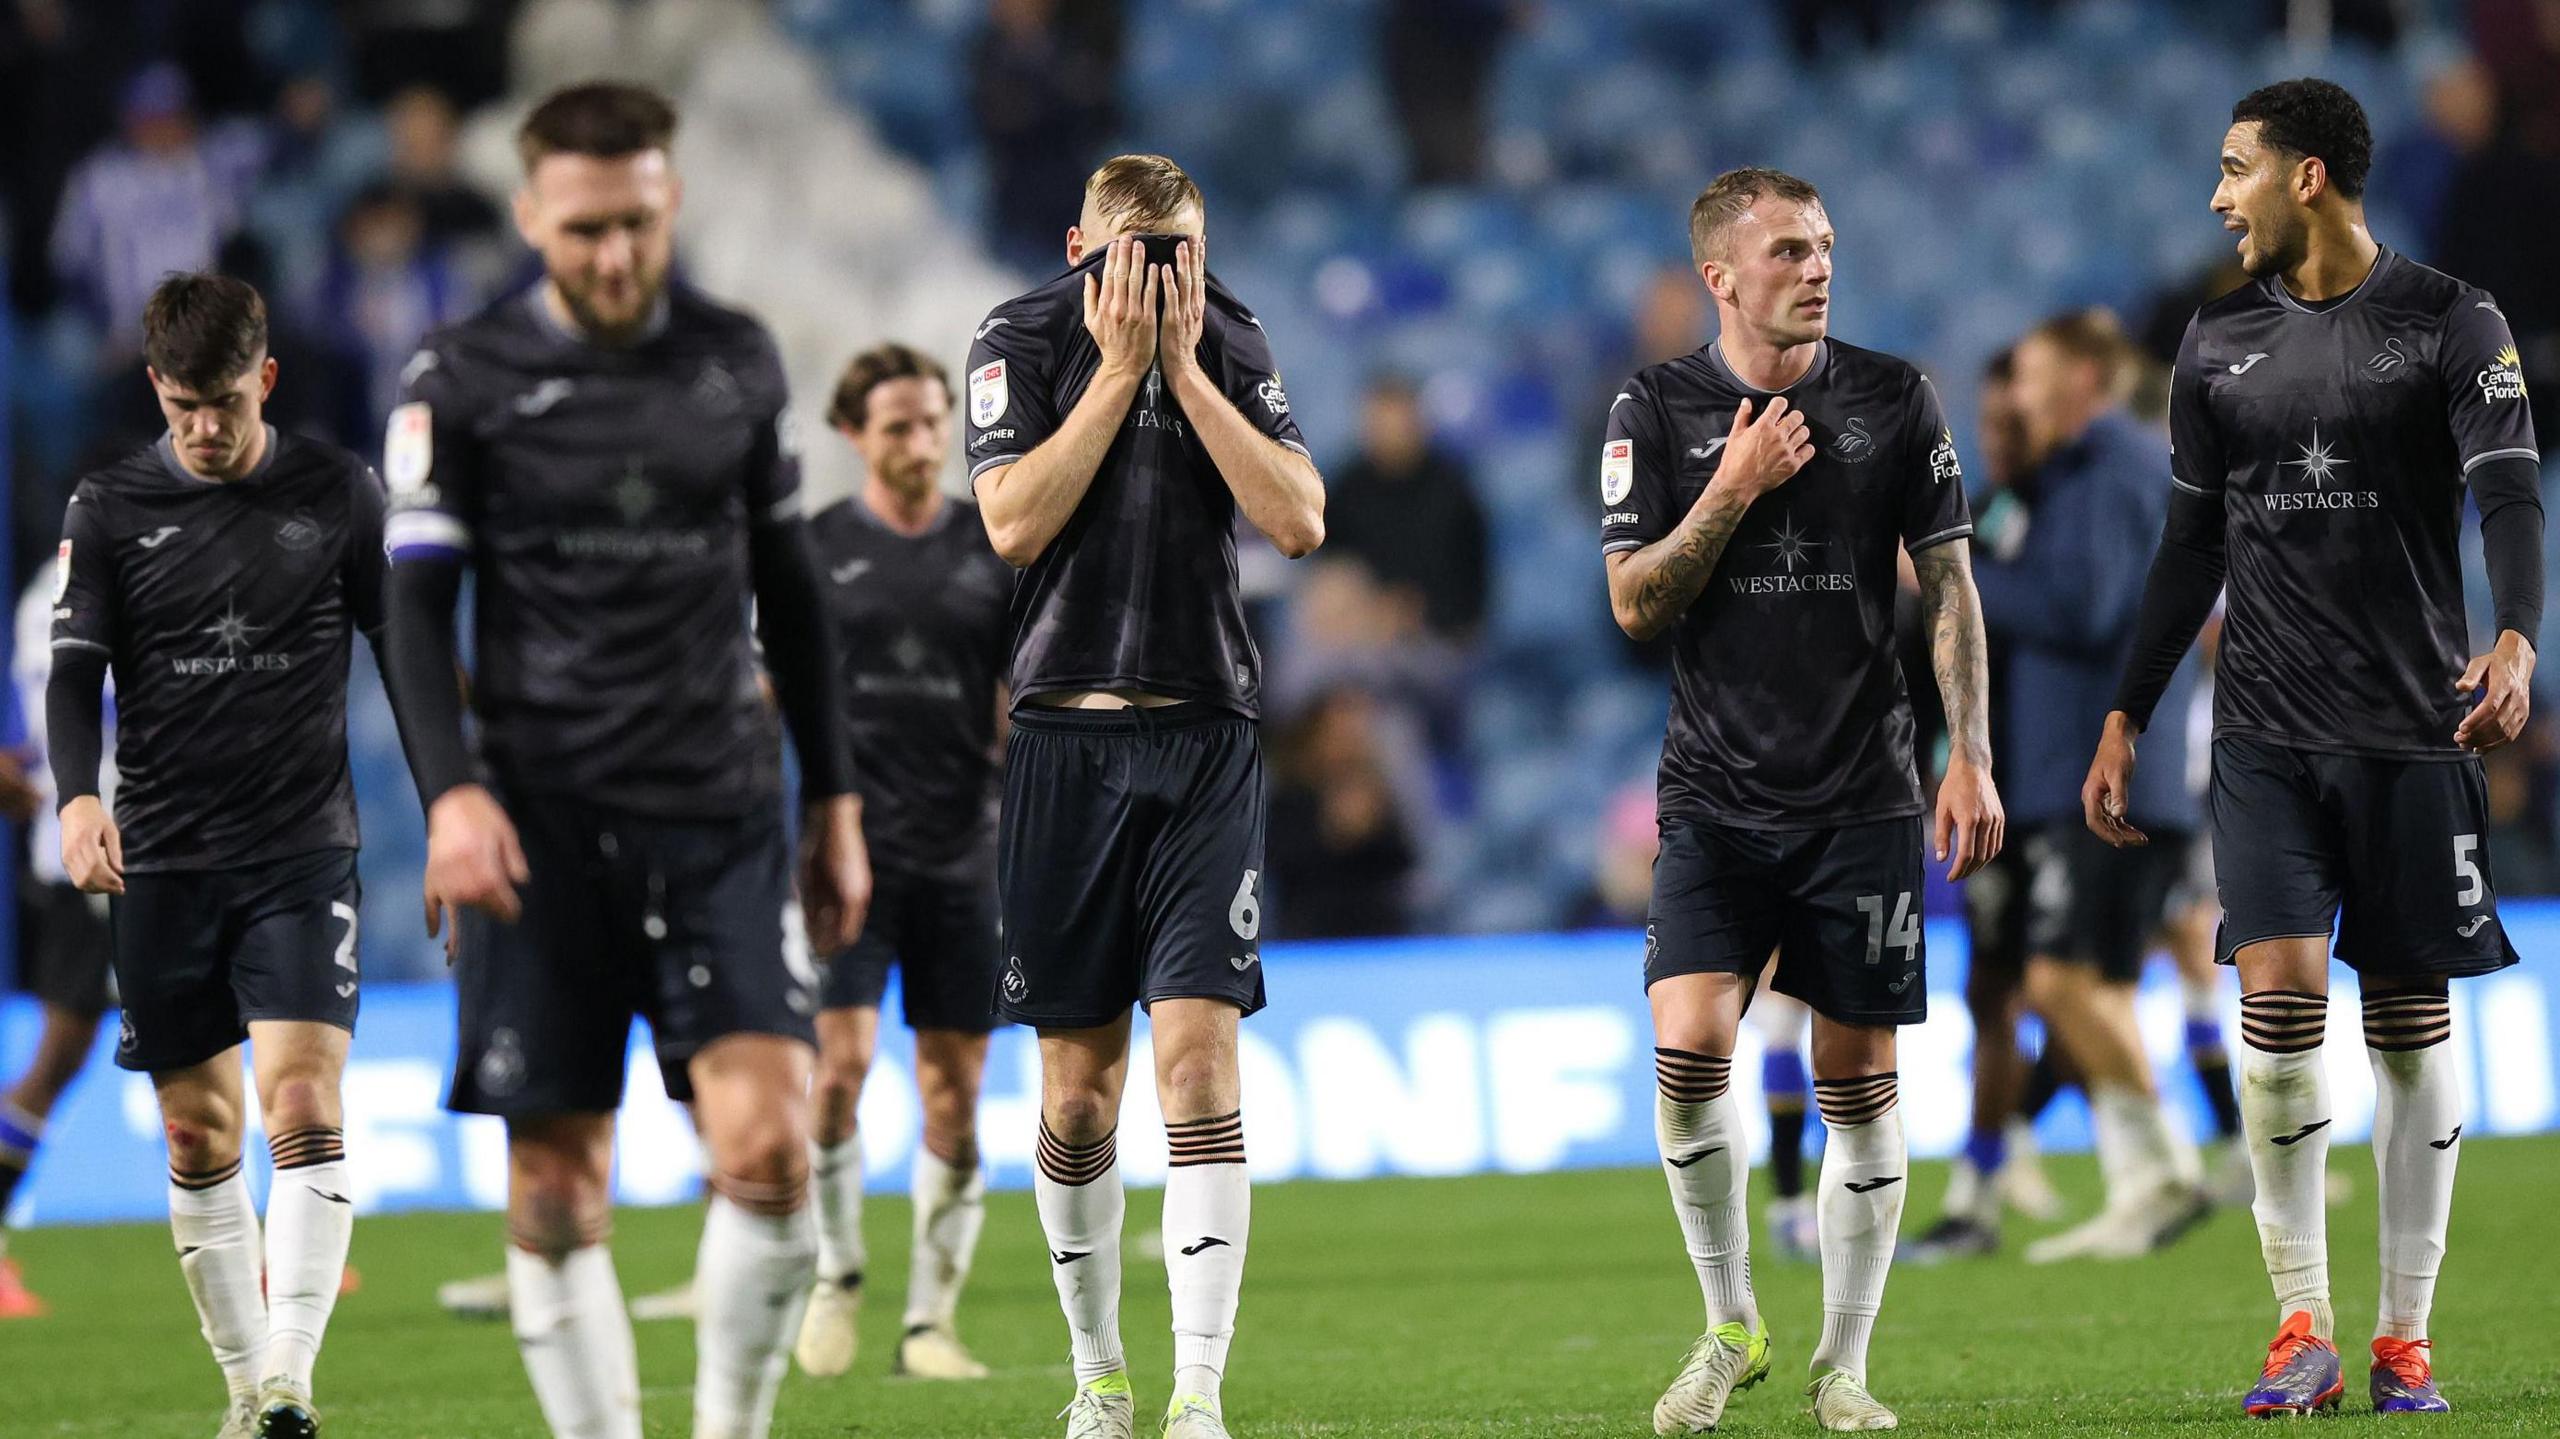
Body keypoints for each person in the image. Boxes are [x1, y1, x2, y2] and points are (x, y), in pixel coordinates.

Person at [377, 83, 869, 1439]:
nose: (614, 255)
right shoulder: (458, 377)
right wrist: (454, 792)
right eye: (586, 227)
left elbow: (795, 590)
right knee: (552, 1191)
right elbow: (414, 606)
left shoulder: (737, 360)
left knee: (770, 1149)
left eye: (638, 223)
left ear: (673, 204)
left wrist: (834, 799)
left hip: (719, 807)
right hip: (540, 822)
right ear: (533, 212)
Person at [2087, 78, 2542, 1419]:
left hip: (2412, 725)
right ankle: (2304, 1321)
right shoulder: (2213, 337)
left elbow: (2509, 488)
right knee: (2276, 993)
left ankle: (2406, 1336)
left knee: (2408, 1025)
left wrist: (2516, 635)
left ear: (2307, 176)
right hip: (2268, 731)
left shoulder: (2452, 320)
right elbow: (2189, 544)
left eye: (2236, 168)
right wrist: (2129, 706)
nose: (2217, 194)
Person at [1601, 166, 2002, 1434]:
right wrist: (1734, 482)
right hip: (1714, 789)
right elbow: (1632, 602)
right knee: (1685, 1054)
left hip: (1861, 793)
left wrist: (1971, 751)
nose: (1816, 267)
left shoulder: (1896, 397)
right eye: (1787, 250)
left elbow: (1946, 585)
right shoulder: (1656, 408)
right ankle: (1729, 1319)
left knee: (1856, 1077)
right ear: (1720, 276)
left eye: (1824, 245)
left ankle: (1840, 1361)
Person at [964, 153, 1325, 1439]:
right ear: (1083, 249)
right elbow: (1010, 522)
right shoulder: (1017, 337)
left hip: (1204, 737)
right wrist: (1120, 371)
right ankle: (1097, 1374)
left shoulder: (1229, 336)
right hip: (1064, 737)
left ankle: (1198, 1395)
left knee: (1199, 1065)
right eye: (1147, 256)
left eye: (1190, 253)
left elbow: (1298, 518)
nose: (1174, 279)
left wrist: (1180, 368)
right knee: (1076, 1096)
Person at [48, 272, 389, 1439]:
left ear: (268, 378)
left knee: (301, 1097)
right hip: (166, 862)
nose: (205, 426)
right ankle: (244, 1388)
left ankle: (291, 1375)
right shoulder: (108, 504)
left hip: (301, 850)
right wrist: (77, 796)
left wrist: (455, 805)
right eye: (184, 403)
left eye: (227, 401)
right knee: (201, 1131)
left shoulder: (340, 493)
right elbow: (71, 672)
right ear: (156, 385)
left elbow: (406, 655)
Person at [1972, 308, 2213, 1264]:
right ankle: (2140, 1183)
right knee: (2093, 984)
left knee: (2064, 980)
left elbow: (2087, 608)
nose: (2018, 396)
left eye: (2031, 376)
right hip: (2074, 774)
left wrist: (1956, 577)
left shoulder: (2115, 472)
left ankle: (2164, 1174)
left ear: (2082, 378)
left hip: (2106, 778)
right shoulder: (2074, 475)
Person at [792, 342, 1013, 1382]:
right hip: (848, 857)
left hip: (965, 852)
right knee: (834, 1072)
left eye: (934, 422)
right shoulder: (814, 549)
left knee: (954, 1096)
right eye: (898, 426)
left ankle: (930, 1318)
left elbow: (1022, 701)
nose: (923, 443)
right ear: (854, 435)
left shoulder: (993, 548)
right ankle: (837, 1270)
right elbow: (770, 698)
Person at [0, 553, 115, 1319]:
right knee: (59, 1054)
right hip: (116, 848)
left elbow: (16, 748)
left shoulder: (41, 589)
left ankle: (275, 1256)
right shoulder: (121, 563)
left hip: (72, 846)